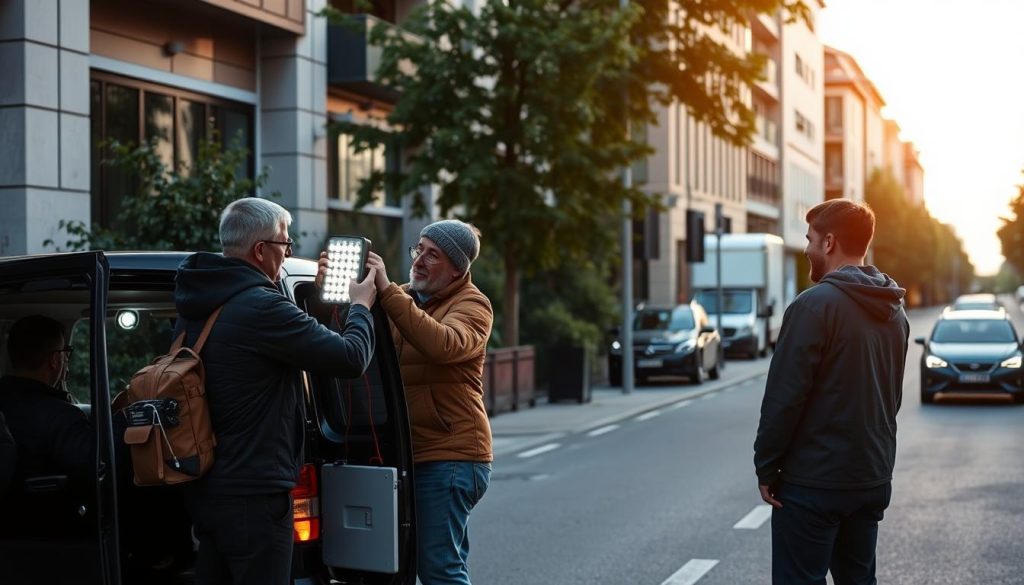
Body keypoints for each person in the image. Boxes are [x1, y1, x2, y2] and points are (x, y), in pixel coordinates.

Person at [174, 197, 378, 585]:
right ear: (261, 250)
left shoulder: (198, 303)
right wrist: (361, 306)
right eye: (285, 245)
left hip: (206, 488)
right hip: (256, 493)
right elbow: (351, 357)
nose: (287, 255)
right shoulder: (261, 307)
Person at [319, 219, 493, 585]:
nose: (420, 260)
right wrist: (332, 293)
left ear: (458, 268)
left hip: (452, 454)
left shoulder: (474, 305)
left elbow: (444, 344)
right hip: (413, 454)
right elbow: (352, 339)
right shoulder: (404, 298)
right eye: (420, 249)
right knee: (413, 564)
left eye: (434, 254)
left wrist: (388, 292)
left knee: (440, 569)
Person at [754, 198, 910, 585]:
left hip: (814, 483)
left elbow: (784, 399)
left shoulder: (813, 307)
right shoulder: (895, 311)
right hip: (870, 478)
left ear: (829, 242)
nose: (806, 248)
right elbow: (891, 400)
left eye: (810, 239)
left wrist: (766, 466)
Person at [0, 315, 95, 535]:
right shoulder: (62, 417)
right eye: (66, 353)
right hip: (58, 535)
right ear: (55, 360)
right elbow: (97, 470)